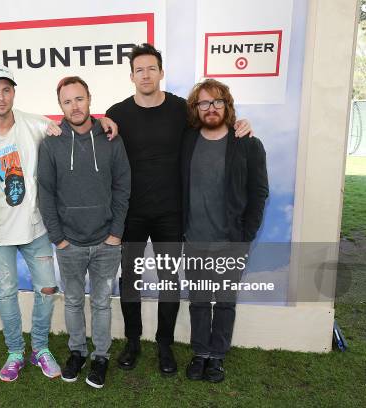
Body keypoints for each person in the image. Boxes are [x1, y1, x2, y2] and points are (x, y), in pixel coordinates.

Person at [0, 64, 117, 382]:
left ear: (14, 92)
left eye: (6, 90)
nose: (0, 97)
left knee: (47, 288)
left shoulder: (35, 125)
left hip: (35, 228)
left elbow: (76, 124)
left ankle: (40, 348)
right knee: (6, 292)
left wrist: (106, 121)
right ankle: (15, 351)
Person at [105, 43, 253, 376]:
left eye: (151, 68)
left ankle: (164, 345)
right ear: (131, 76)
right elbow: (99, 145)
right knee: (131, 280)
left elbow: (212, 126)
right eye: (139, 69)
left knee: (170, 281)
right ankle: (132, 342)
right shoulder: (117, 113)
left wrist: (242, 123)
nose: (145, 74)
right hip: (132, 212)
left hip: (171, 213)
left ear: (161, 72)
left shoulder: (179, 110)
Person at [38, 76, 131, 389]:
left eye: (79, 99)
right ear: (60, 106)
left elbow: (122, 186)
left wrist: (116, 232)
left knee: (102, 303)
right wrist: (59, 239)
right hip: (70, 244)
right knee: (74, 302)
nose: (74, 106)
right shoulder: (50, 142)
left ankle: (100, 356)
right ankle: (77, 352)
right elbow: (45, 193)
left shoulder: (110, 137)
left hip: (107, 242)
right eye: (67, 101)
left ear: (89, 98)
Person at [181, 78, 268, 382]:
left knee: (226, 302)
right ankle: (200, 353)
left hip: (231, 241)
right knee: (200, 301)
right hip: (194, 240)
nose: (211, 108)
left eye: (218, 101)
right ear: (196, 108)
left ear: (227, 106)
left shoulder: (248, 144)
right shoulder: (187, 141)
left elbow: (259, 194)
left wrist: (246, 236)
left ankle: (217, 357)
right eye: (204, 102)